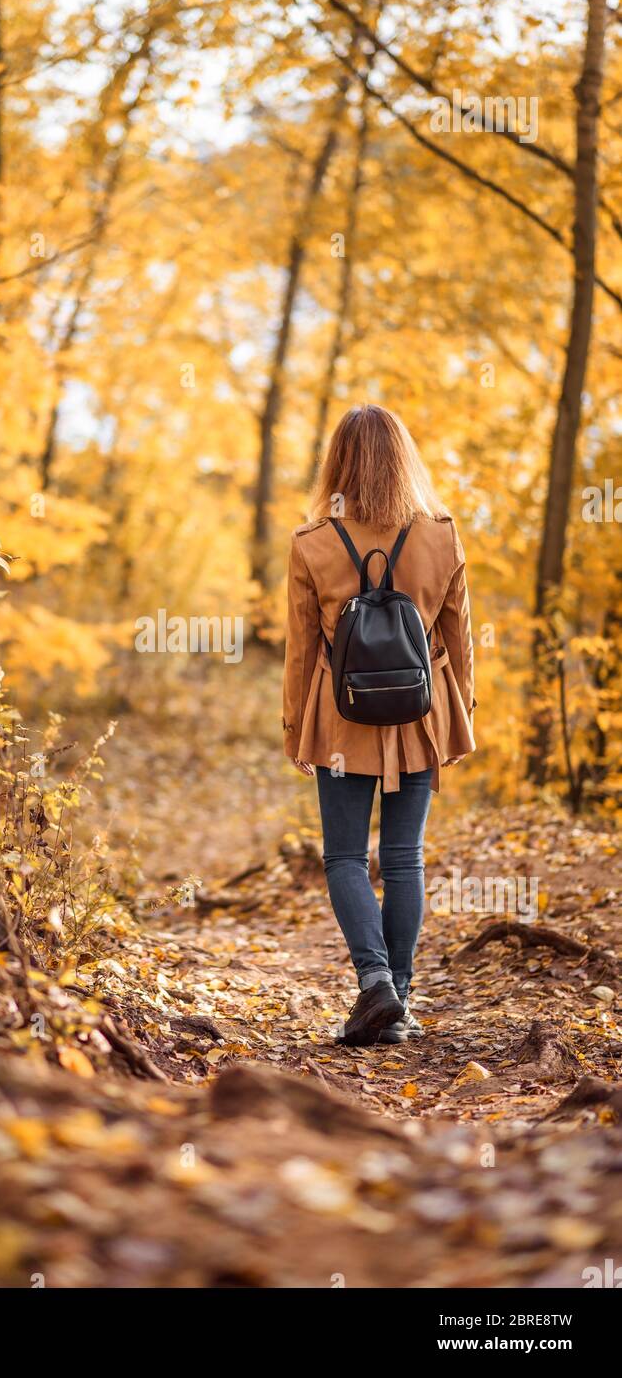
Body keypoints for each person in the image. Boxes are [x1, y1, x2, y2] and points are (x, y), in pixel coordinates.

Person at [283, 404, 476, 1046]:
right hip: (421, 716)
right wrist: (460, 717)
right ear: (402, 458)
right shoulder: (441, 535)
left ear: (337, 461)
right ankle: (401, 999)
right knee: (403, 858)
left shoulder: (312, 543)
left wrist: (293, 727)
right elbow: (459, 640)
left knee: (343, 855)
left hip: (342, 718)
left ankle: (376, 985)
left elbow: (302, 649)